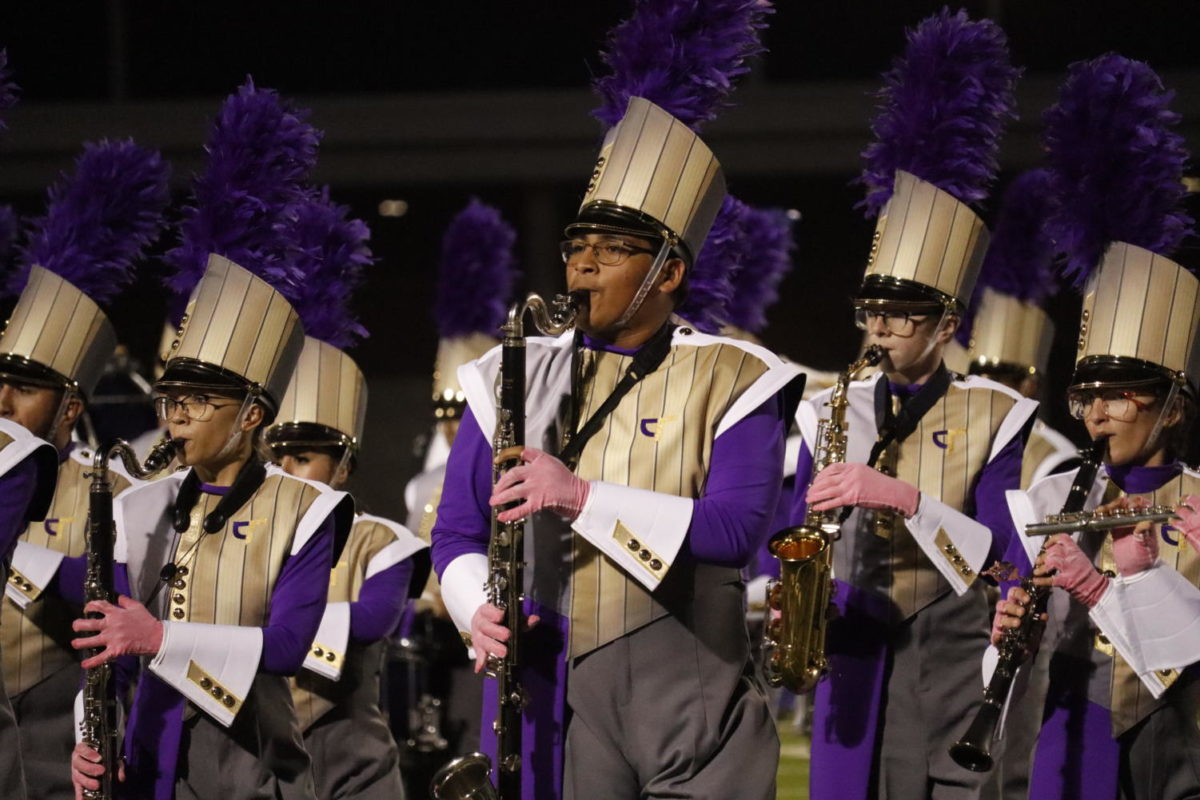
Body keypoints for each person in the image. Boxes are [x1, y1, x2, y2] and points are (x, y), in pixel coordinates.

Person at [432, 95, 801, 799]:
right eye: (578, 246)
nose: (585, 265)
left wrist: (579, 497)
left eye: (614, 249)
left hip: (688, 675)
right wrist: (475, 604)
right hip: (545, 676)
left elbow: (735, 532)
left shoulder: (741, 372)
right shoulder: (503, 373)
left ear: (668, 272)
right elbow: (456, 530)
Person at [792, 11, 1032, 799]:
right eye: (874, 312)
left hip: (949, 657)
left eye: (905, 316)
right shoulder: (828, 408)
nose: (884, 327)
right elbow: (786, 528)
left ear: (948, 325)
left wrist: (900, 496)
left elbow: (1006, 553)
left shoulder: (995, 413)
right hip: (849, 658)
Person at [990, 53, 1200, 800]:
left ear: (1172, 405)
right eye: (1088, 396)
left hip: (1174, 755)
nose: (1099, 412)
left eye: (1121, 395)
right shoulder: (1051, 494)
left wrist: (1114, 586)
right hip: (1061, 740)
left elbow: (1191, 650)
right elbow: (1016, 657)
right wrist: (1008, 631)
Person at [67, 256, 352, 800]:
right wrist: (91, 739)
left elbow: (290, 646)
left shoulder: (309, 507)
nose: (176, 416)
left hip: (254, 763)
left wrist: (157, 637)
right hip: (148, 760)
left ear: (251, 414)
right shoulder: (139, 505)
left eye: (198, 400)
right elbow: (111, 652)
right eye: (172, 400)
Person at [0, 139, 169, 800]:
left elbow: (132, 605)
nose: (3, 400)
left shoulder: (117, 494)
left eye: (26, 386)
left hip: (55, 758)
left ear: (70, 407)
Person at [267, 335, 429, 796]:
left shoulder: (382, 539)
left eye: (302, 459)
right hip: (265, 752)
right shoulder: (247, 536)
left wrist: (255, 630)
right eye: (276, 459)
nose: (284, 471)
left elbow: (372, 619)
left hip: (352, 759)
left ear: (343, 467)